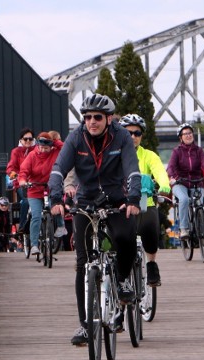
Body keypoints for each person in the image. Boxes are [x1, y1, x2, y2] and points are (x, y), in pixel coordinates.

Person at [48, 93, 141, 346]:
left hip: (116, 199)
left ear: (109, 119)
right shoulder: (76, 137)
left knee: (124, 237)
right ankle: (86, 326)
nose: (91, 121)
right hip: (86, 201)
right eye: (87, 117)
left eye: (97, 117)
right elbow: (58, 168)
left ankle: (122, 280)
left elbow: (132, 169)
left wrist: (132, 199)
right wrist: (55, 198)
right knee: (82, 263)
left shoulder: (121, 136)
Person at [119, 113, 171, 287]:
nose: (133, 137)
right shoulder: (114, 154)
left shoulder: (149, 155)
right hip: (120, 201)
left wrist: (164, 185)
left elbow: (160, 172)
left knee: (150, 225)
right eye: (128, 133)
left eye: (137, 133)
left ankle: (151, 264)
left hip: (142, 200)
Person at [166, 123, 204, 238]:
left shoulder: (199, 151)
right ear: (181, 138)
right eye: (185, 134)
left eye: (190, 133)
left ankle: (201, 231)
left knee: (200, 202)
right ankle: (184, 229)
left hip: (196, 182)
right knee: (184, 199)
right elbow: (170, 167)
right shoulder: (177, 152)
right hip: (180, 182)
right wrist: (173, 177)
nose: (188, 135)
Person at [18, 132, 65, 256]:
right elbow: (24, 170)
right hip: (34, 189)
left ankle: (61, 227)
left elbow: (65, 148)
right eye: (41, 147)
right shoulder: (32, 155)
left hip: (50, 188)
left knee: (55, 205)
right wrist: (23, 180)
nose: (43, 150)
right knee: (36, 216)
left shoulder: (55, 152)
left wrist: (53, 141)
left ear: (51, 147)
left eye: (46, 147)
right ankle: (34, 245)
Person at [6, 127, 36, 233]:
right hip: (21, 183)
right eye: (25, 139)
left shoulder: (37, 150)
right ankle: (22, 226)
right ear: (21, 140)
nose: (28, 141)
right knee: (26, 201)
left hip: (36, 182)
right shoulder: (16, 152)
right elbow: (11, 167)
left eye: (30, 139)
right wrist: (14, 176)